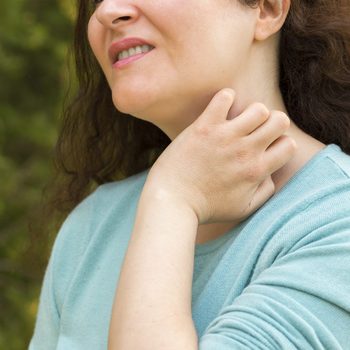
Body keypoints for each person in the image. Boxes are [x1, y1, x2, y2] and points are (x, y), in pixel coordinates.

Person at [30, 0, 350, 349]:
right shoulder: (92, 226)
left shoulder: (338, 223)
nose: (107, 10)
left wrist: (172, 199)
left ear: (267, 9)